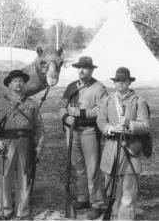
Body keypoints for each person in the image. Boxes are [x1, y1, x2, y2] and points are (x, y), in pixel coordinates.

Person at [0, 70, 44, 219]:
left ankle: (23, 211)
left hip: (26, 143)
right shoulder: (0, 102)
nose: (18, 84)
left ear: (24, 83)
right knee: (4, 176)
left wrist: (39, 146)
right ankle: (4, 210)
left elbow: (39, 126)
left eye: (21, 81)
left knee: (25, 177)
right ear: (9, 84)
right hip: (6, 142)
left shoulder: (32, 103)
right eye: (14, 81)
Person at [97, 67, 149, 220]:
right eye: (117, 81)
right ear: (114, 82)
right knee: (111, 193)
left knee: (128, 196)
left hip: (130, 152)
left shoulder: (139, 101)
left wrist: (129, 124)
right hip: (111, 151)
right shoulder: (107, 100)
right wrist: (110, 129)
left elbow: (145, 126)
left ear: (129, 82)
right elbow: (100, 121)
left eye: (123, 81)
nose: (120, 83)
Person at [59, 56, 107, 219]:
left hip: (89, 131)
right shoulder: (71, 86)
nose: (81, 70)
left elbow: (102, 110)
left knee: (92, 169)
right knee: (78, 167)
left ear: (92, 70)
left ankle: (97, 203)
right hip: (71, 131)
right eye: (79, 67)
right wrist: (65, 117)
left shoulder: (99, 88)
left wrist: (82, 113)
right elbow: (61, 106)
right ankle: (83, 198)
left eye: (85, 68)